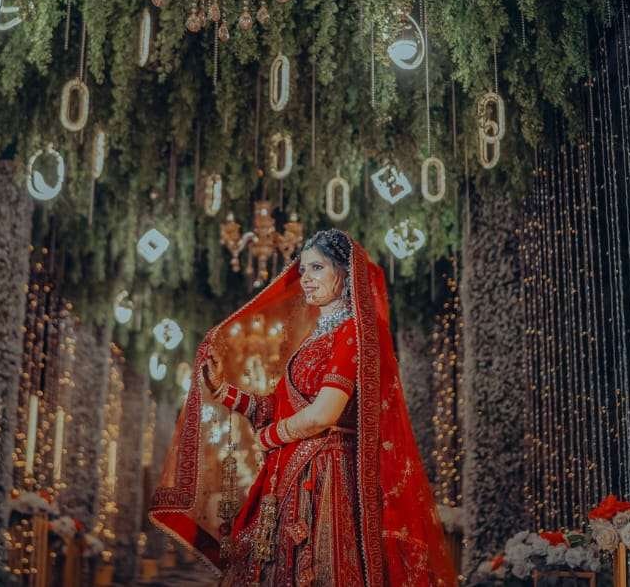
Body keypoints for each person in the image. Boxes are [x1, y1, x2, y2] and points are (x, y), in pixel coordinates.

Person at [149, 229, 457, 585]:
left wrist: (268, 438)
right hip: (292, 474)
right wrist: (222, 389)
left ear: (345, 273)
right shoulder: (315, 338)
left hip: (326, 479)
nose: (305, 278)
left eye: (317, 268)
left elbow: (324, 413)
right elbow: (276, 407)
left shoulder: (353, 333)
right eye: (303, 269)